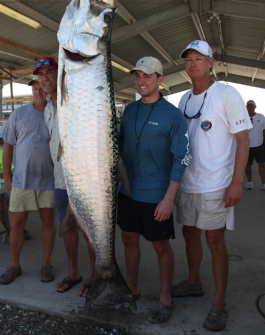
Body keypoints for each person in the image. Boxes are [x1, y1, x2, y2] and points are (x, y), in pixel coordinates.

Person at [172, 40, 251, 332]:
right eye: (188, 59)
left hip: (217, 184)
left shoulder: (226, 94)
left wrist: (237, 183)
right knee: (189, 233)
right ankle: (194, 282)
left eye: (199, 58)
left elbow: (243, 140)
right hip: (189, 183)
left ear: (211, 62)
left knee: (215, 241)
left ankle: (219, 302)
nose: (192, 64)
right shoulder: (183, 99)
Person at [105, 56, 190, 324]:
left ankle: (165, 297)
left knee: (160, 245)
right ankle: (133, 288)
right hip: (128, 191)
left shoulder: (173, 115)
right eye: (138, 75)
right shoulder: (129, 110)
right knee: (128, 239)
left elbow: (182, 158)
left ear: (160, 80)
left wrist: (169, 198)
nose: (141, 81)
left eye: (148, 76)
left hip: (156, 193)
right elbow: (116, 147)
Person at [36, 57, 96, 296]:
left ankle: (94, 274)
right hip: (61, 180)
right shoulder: (48, 107)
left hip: (84, 178)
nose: (45, 77)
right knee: (67, 227)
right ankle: (74, 272)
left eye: (50, 71)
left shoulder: (74, 99)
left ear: (61, 74)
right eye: (40, 74)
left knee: (90, 229)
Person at [0, 76, 56, 285]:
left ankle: (46, 264)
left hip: (49, 180)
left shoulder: (57, 113)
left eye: (41, 88)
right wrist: (7, 175)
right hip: (21, 180)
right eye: (34, 88)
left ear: (48, 89)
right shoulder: (19, 113)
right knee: (17, 225)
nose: (38, 92)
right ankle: (14, 265)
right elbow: (7, 147)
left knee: (48, 222)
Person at [244, 100, 265, 192]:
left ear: (255, 107)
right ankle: (249, 182)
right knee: (247, 165)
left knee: (262, 165)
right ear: (246, 107)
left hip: (260, 145)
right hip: (247, 146)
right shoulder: (242, 117)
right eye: (249, 106)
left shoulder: (261, 117)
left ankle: (264, 183)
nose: (250, 107)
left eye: (252, 106)